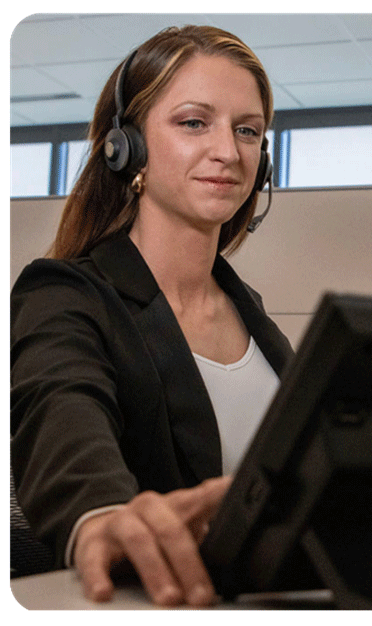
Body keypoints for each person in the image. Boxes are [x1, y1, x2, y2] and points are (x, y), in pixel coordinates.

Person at [10, 25, 293, 607]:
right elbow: (61, 413)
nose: (227, 151)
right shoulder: (66, 296)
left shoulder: (255, 320)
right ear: (127, 145)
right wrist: (101, 515)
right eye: (194, 122)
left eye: (248, 130)